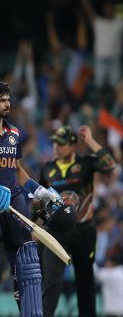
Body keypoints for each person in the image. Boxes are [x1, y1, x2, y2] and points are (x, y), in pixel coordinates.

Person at [0, 81, 60, 317]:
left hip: (15, 203)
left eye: (8, 99)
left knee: (28, 266)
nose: (7, 103)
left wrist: (38, 191)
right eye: (1, 100)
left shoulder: (14, 132)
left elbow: (16, 169)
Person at [38, 125, 116, 317]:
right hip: (56, 231)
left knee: (85, 280)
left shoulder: (86, 163)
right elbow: (40, 201)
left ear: (73, 145)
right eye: (55, 142)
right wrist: (39, 225)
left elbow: (109, 164)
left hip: (83, 230)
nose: (57, 147)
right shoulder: (47, 169)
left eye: (61, 143)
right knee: (51, 281)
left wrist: (89, 140)